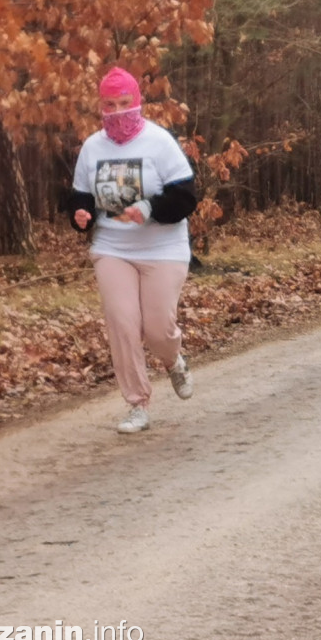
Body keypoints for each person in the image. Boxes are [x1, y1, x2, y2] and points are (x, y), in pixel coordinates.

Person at [69, 67, 198, 433]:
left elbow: (186, 197)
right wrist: (80, 215)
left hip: (164, 248)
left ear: (137, 102)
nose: (118, 113)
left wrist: (149, 209)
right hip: (113, 247)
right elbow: (80, 197)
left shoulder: (159, 143)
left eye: (125, 104)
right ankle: (137, 404)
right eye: (110, 105)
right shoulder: (93, 147)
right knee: (123, 324)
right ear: (101, 106)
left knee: (157, 329)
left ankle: (173, 361)